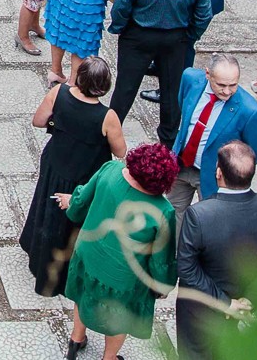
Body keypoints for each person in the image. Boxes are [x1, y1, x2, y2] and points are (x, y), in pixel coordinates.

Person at [55, 143, 179, 358]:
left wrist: (71, 203)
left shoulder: (110, 169)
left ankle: (76, 341)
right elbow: (161, 258)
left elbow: (81, 202)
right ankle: (109, 357)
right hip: (122, 276)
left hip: (88, 254)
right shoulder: (162, 210)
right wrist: (163, 284)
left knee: (82, 296)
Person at [173, 142, 257, 360]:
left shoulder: (199, 215)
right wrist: (249, 299)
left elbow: (186, 268)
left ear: (218, 173)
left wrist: (225, 303)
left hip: (200, 308)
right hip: (241, 297)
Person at [21, 56, 125, 296]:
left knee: (45, 210)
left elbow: (38, 121)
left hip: (55, 163)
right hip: (84, 173)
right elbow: (120, 151)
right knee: (71, 223)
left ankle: (37, 253)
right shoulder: (107, 116)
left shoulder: (59, 93)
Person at [108, 0, 212, 146]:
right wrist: (189, 36)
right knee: (171, 91)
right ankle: (168, 144)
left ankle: (108, 135)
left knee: (125, 88)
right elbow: (204, 13)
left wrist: (119, 27)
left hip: (138, 36)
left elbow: (123, 5)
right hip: (175, 39)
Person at [167, 55, 257, 220]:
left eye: (233, 85)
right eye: (221, 85)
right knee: (173, 213)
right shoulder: (190, 79)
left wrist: (227, 171)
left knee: (208, 221)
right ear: (208, 74)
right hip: (181, 165)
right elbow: (183, 108)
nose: (227, 91)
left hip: (214, 177)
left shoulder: (250, 111)